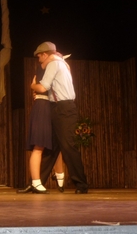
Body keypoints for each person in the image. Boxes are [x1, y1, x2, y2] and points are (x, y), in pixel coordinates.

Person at [19, 41, 89, 194]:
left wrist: (32, 86)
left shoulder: (53, 63)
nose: (39, 60)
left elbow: (43, 87)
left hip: (63, 108)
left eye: (39, 56)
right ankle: (36, 183)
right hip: (59, 108)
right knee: (52, 149)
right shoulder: (61, 63)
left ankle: (81, 184)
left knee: (68, 146)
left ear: (45, 54)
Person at [23, 59, 66, 194]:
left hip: (53, 107)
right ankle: (36, 182)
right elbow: (40, 88)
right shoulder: (44, 69)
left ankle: (59, 174)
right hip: (44, 106)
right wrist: (33, 87)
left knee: (56, 143)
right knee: (39, 145)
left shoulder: (57, 69)